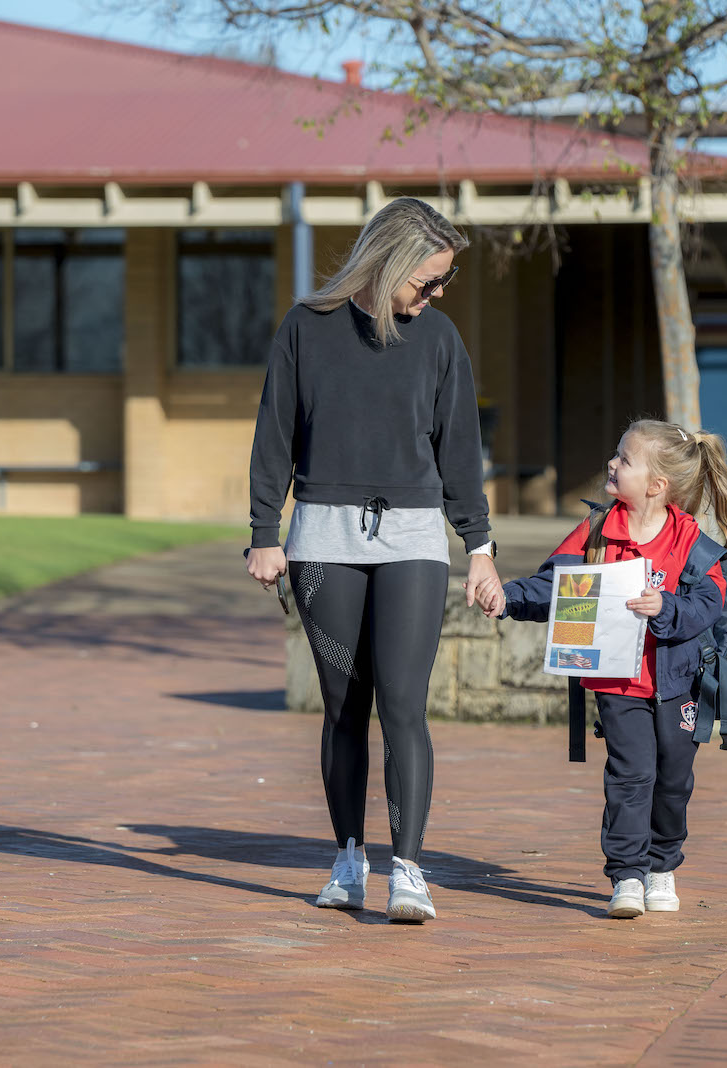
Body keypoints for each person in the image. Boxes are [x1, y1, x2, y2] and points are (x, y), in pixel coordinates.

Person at [245, 197, 502, 924]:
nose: (438, 294)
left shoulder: (441, 340)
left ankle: (409, 870)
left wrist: (479, 551)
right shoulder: (306, 330)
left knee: (403, 705)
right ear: (388, 263)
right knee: (343, 709)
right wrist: (266, 531)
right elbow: (273, 436)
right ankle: (349, 858)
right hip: (322, 535)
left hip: (415, 538)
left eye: (444, 282)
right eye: (429, 280)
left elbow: (459, 455)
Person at [476, 420, 727, 919]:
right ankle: (627, 875)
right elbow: (556, 587)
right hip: (617, 682)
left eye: (625, 459)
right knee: (630, 774)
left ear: (656, 485)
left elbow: (709, 603)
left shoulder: (690, 539)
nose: (612, 463)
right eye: (616, 454)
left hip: (678, 685)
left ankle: (662, 868)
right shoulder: (597, 529)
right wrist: (508, 599)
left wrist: (665, 607)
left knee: (673, 780)